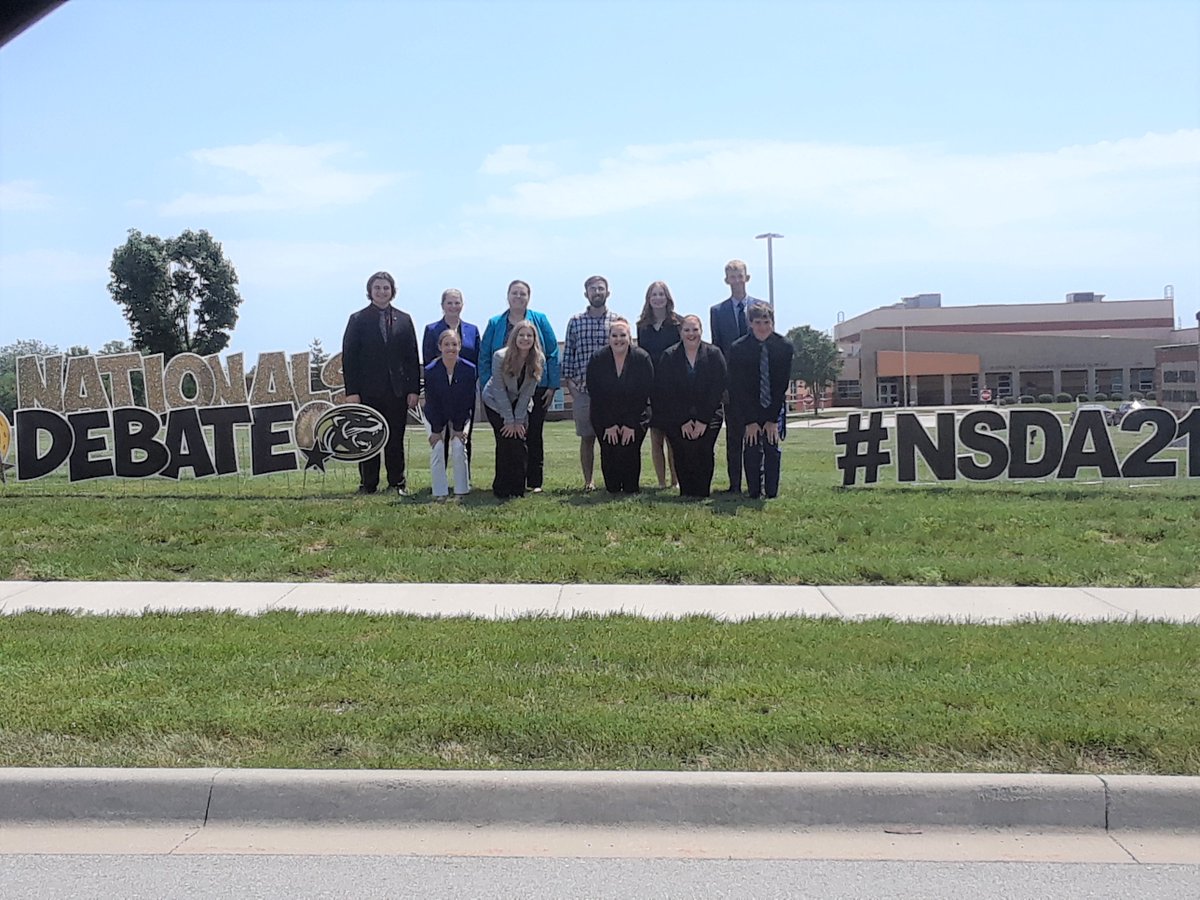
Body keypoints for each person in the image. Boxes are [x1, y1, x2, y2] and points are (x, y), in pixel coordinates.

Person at [342, 270, 421, 495]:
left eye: (386, 288)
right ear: (370, 291)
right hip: (367, 392)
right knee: (367, 437)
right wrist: (352, 392)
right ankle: (368, 484)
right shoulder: (357, 319)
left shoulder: (404, 319)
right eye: (377, 288)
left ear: (392, 291)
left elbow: (412, 357)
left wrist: (414, 389)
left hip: (397, 392)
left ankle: (397, 482)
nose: (381, 292)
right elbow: (349, 358)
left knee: (395, 438)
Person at [478, 280, 559, 493]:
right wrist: (491, 384)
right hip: (497, 392)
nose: (518, 297)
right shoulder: (496, 323)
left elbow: (552, 351)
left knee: (530, 435)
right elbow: (485, 356)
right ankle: (505, 484)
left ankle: (532, 482)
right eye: (514, 293)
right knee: (506, 437)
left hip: (531, 387)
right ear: (508, 296)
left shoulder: (539, 321)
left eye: (523, 293)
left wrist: (552, 385)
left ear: (528, 297)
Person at [652, 314, 728, 498]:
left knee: (703, 448)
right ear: (680, 332)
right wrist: (683, 420)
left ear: (701, 331)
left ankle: (702, 491)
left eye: (695, 329)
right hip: (677, 415)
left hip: (709, 414)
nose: (691, 334)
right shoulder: (669, 356)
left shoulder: (714, 354)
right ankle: (686, 491)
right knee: (682, 449)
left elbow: (717, 389)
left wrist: (702, 420)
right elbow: (666, 392)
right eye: (687, 330)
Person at [728, 302, 794, 499]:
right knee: (751, 445)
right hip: (748, 406)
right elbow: (738, 387)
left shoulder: (784, 346)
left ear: (772, 322)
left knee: (771, 446)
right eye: (758, 322)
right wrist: (750, 420)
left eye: (767, 322)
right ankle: (754, 490)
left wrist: (772, 419)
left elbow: (781, 384)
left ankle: (771, 491)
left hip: (773, 405)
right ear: (750, 323)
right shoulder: (738, 348)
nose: (763, 326)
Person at [562, 275, 620, 491]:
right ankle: (589, 481)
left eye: (601, 288)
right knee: (587, 437)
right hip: (584, 390)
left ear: (608, 292)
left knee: (611, 436)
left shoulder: (617, 320)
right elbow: (568, 354)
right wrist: (571, 386)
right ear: (586, 293)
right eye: (593, 289)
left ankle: (612, 479)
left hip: (611, 391)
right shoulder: (575, 321)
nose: (597, 292)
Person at [709, 259, 761, 493]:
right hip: (731, 384)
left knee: (756, 436)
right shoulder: (717, 312)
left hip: (756, 383)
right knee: (734, 436)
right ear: (726, 280)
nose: (736, 280)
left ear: (747, 278)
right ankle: (734, 484)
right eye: (732, 276)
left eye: (740, 275)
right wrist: (722, 385)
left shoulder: (760, 307)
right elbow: (717, 349)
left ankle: (756, 482)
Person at [586, 317, 654, 494]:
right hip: (604, 416)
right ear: (609, 338)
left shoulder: (641, 358)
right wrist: (610, 424)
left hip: (636, 415)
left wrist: (630, 424)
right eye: (614, 335)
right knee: (610, 454)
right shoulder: (597, 359)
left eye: (622, 335)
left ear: (630, 337)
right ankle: (613, 487)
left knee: (630, 451)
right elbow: (596, 393)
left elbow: (643, 393)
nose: (618, 339)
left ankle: (631, 486)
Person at [481, 320, 545, 499]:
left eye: (529, 335)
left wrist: (518, 421)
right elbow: (499, 390)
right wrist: (509, 420)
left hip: (521, 403)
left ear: (534, 339)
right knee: (505, 440)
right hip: (495, 401)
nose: (525, 338)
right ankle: (501, 488)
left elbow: (527, 394)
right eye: (521, 335)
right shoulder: (500, 357)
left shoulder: (538, 359)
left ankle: (517, 489)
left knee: (519, 440)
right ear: (514, 337)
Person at [423, 288, 481, 465]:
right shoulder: (432, 330)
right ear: (442, 305)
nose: (453, 306)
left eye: (457, 303)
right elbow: (428, 361)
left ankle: (464, 477)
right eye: (450, 303)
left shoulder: (472, 330)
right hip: (440, 389)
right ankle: (441, 476)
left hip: (464, 390)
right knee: (441, 435)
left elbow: (478, 358)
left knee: (463, 434)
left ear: (462, 305)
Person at [635, 281, 682, 489]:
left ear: (667, 297)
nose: (657, 298)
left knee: (673, 438)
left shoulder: (677, 324)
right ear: (648, 299)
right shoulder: (642, 326)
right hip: (651, 387)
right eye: (653, 294)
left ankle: (675, 480)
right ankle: (661, 482)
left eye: (661, 294)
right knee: (656, 439)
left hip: (673, 387)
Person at [422, 329, 475, 500]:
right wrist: (438, 431)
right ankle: (440, 493)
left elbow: (467, 401)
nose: (450, 348)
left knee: (459, 447)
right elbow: (432, 403)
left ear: (460, 346)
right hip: (434, 415)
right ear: (440, 347)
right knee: (437, 448)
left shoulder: (469, 369)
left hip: (461, 413)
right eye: (446, 344)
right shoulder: (430, 370)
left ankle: (462, 491)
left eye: (454, 344)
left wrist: (457, 429)